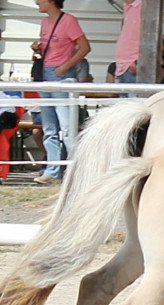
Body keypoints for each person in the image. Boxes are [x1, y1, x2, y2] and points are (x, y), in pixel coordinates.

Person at [32, 0, 90, 185]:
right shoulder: (44, 22)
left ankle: (76, 172)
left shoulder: (69, 21)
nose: (36, 2)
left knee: (67, 128)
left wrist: (65, 67)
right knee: (49, 128)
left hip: (60, 75)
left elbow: (85, 47)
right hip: (46, 73)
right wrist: (38, 48)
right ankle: (53, 171)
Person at [114, 0, 141, 84]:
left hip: (132, 67)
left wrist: (137, 62)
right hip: (124, 66)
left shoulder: (143, 7)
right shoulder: (128, 5)